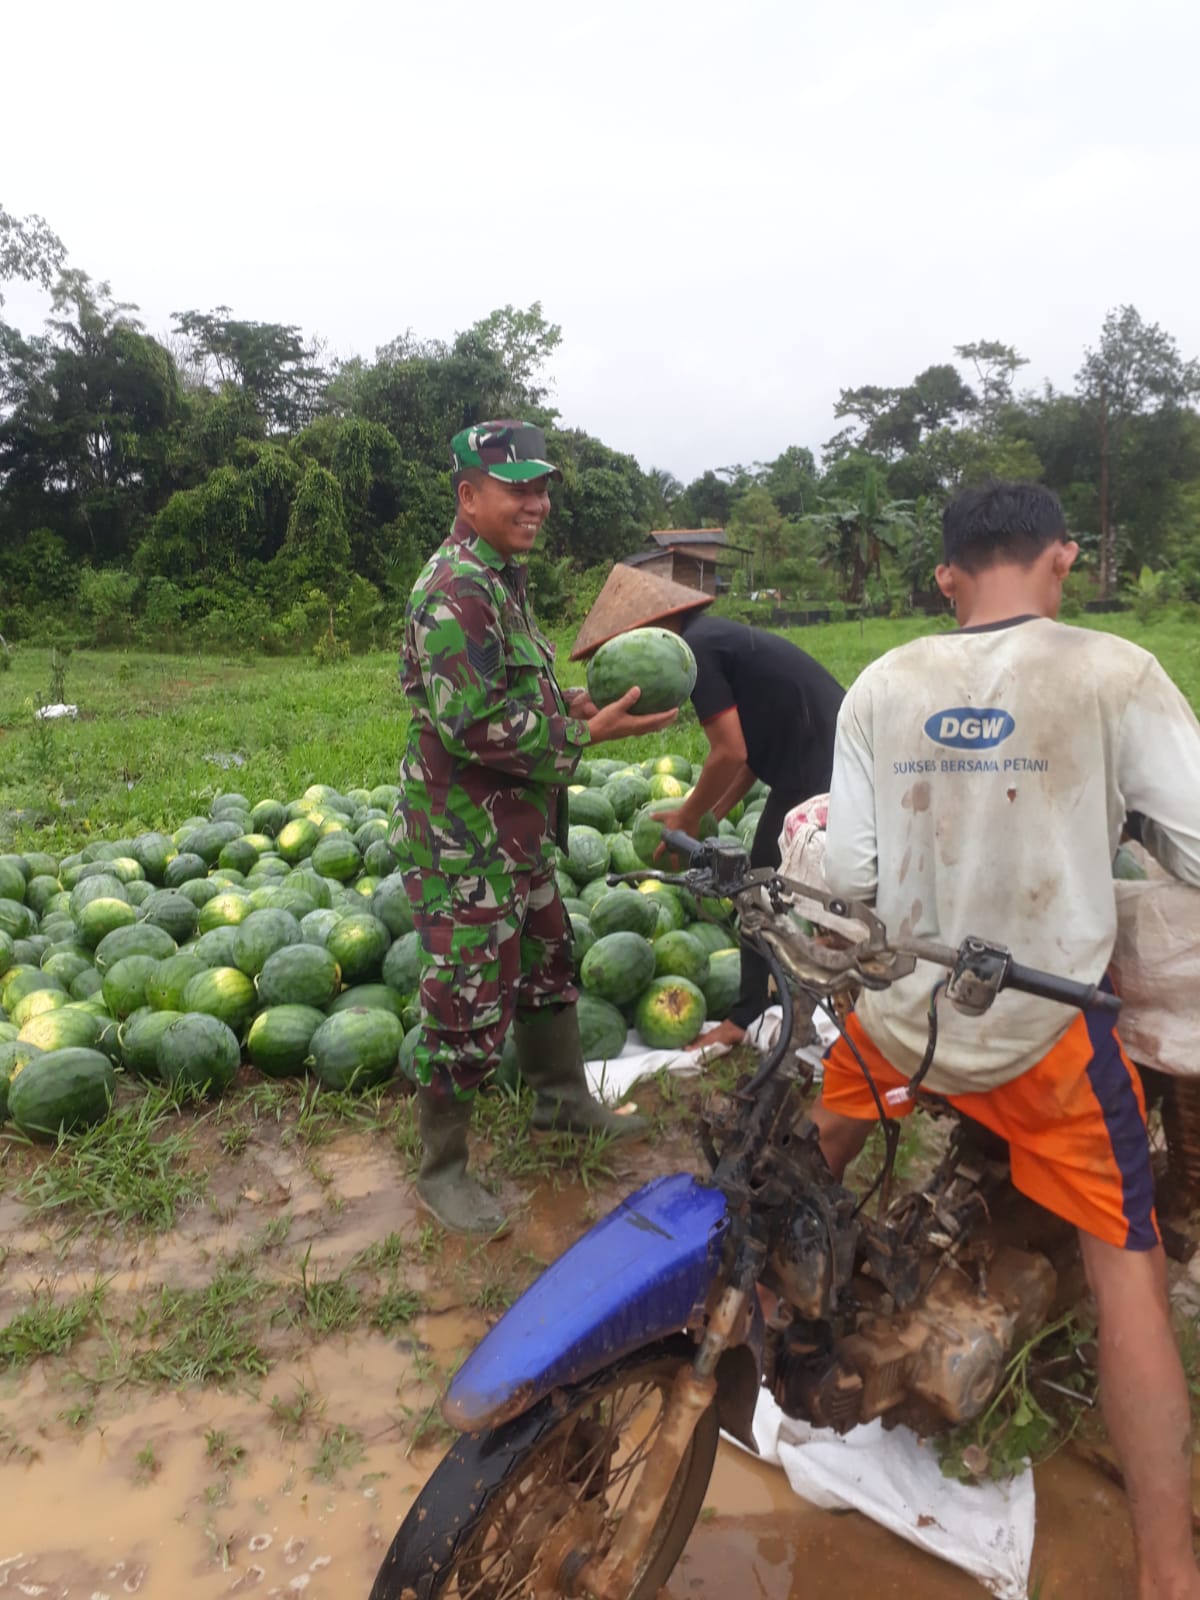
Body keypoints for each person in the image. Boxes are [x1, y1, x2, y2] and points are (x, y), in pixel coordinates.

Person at [813, 480, 1200, 1600]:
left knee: (802, 1154)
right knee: (1131, 1273)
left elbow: (850, 880)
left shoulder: (884, 682)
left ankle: (722, 1320)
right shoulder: (1113, 672)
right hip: (1044, 1042)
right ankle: (1171, 1576)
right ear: (1062, 560)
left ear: (945, 576)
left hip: (900, 1025)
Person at [390, 420, 678, 1236]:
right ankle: (442, 1169)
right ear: (468, 496)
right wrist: (590, 734)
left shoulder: (501, 576)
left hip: (514, 828)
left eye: (541, 487)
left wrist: (569, 705)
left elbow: (511, 694)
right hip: (463, 841)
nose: (537, 503)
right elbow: (471, 726)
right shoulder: (454, 590)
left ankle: (559, 1104)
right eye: (517, 488)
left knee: (550, 961)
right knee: (466, 1005)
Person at [571, 566, 845, 1048]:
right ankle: (813, 980)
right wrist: (711, 810)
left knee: (757, 888)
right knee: (785, 885)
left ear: (647, 636)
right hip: (823, 754)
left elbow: (730, 752)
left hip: (823, 762)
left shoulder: (695, 651)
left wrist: (686, 815)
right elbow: (752, 754)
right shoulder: (711, 639)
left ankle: (745, 1017)